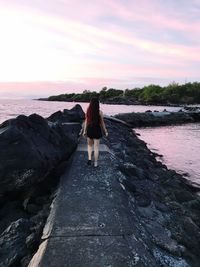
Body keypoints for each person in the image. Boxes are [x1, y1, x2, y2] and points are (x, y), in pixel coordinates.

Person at [83, 97, 108, 167]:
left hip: (90, 129)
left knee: (89, 146)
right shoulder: (100, 112)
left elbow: (86, 122)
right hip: (97, 130)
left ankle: (89, 159)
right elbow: (102, 123)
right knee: (96, 147)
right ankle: (96, 163)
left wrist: (84, 131)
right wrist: (105, 131)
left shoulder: (88, 111)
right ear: (98, 104)